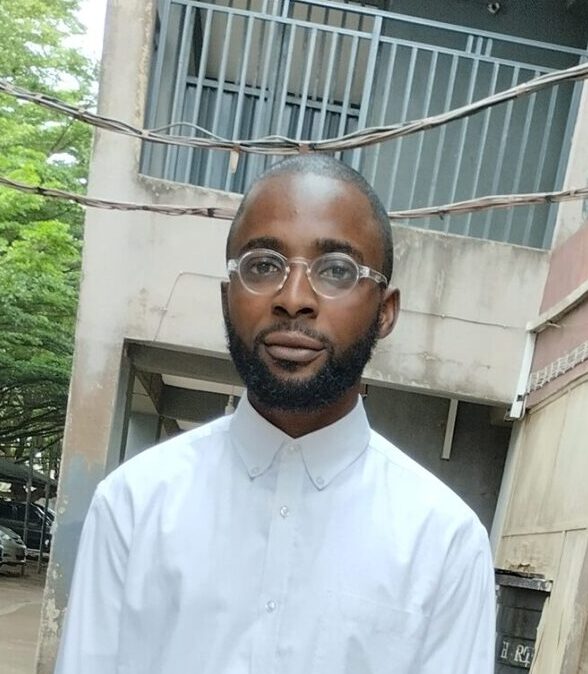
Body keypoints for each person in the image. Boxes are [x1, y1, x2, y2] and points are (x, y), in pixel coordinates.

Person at [55, 155, 495, 674]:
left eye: (337, 270)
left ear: (385, 311)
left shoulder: (445, 543)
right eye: (264, 265)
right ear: (227, 297)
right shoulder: (133, 504)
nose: (293, 298)